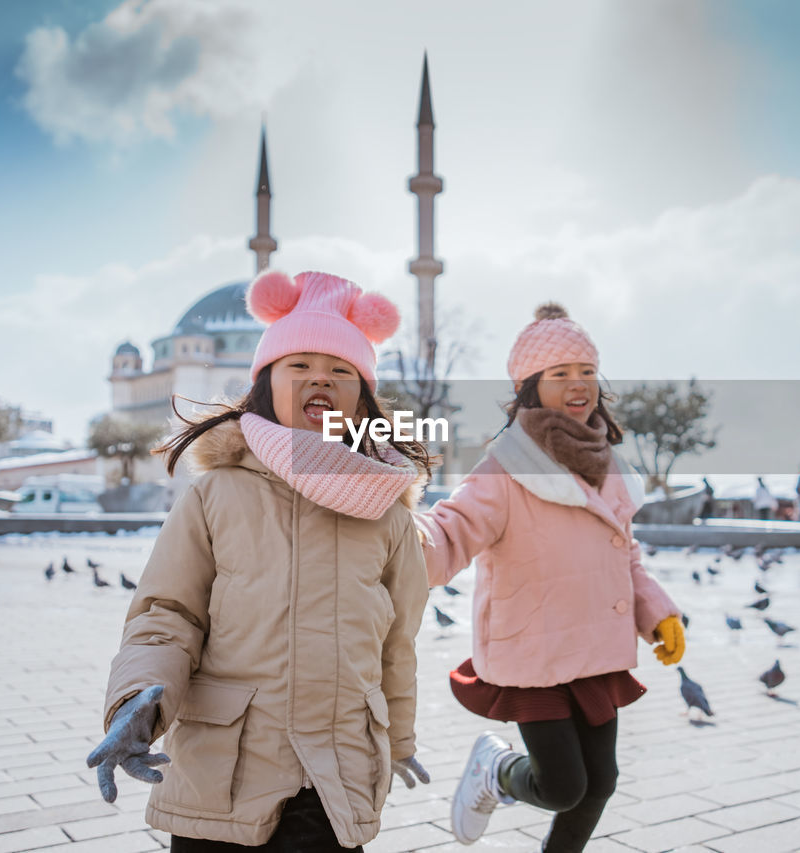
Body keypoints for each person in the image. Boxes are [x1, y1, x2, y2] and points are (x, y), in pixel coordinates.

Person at [87, 271, 434, 852]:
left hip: (335, 780)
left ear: (362, 399)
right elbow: (167, 615)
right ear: (266, 384)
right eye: (299, 365)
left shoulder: (388, 514)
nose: (320, 377)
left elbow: (397, 644)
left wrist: (397, 740)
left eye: (340, 370)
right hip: (222, 776)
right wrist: (138, 701)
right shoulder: (216, 494)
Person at [415, 303, 683, 851]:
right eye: (560, 374)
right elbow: (451, 531)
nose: (577, 384)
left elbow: (624, 555)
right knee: (562, 786)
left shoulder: (607, 464)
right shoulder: (504, 468)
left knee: (600, 782)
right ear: (531, 387)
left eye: (586, 371)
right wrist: (392, 536)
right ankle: (496, 769)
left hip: (594, 647)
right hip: (534, 650)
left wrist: (657, 612)